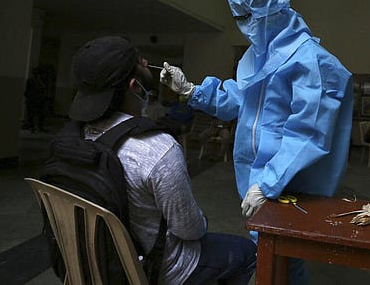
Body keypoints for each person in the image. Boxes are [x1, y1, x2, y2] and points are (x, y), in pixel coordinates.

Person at [160, 0, 353, 284]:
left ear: (272, 9)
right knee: (269, 253)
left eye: (247, 16)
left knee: (286, 259)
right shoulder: (256, 56)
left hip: (291, 183)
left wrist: (269, 183)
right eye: (238, 17)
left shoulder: (311, 62)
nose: (243, 25)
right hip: (258, 179)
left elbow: (308, 132)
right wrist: (191, 90)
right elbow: (239, 101)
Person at [67, 36, 256, 285]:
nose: (147, 61)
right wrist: (202, 220)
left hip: (91, 261)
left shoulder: (70, 141)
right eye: (140, 61)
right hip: (150, 269)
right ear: (135, 87)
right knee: (248, 252)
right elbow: (189, 230)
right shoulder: (157, 149)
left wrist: (190, 90)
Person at [23, 66, 48, 133]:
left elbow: (43, 90)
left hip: (40, 100)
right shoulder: (31, 81)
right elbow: (27, 91)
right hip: (33, 100)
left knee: (41, 114)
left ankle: (40, 127)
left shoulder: (42, 81)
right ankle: (32, 127)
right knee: (31, 114)